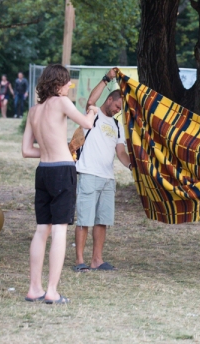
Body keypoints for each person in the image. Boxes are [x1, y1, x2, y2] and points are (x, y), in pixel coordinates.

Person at [22, 64, 98, 304]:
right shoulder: (61, 102)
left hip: (43, 171)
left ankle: (34, 288)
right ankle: (52, 291)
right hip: (62, 171)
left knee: (41, 229)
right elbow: (86, 124)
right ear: (58, 84)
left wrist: (50, 149)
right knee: (60, 230)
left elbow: (26, 150)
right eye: (67, 83)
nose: (69, 87)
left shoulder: (34, 111)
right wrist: (93, 113)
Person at [73, 69, 131, 272]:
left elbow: (121, 153)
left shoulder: (117, 125)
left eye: (120, 109)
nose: (117, 110)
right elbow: (90, 100)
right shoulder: (93, 115)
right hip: (89, 173)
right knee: (84, 220)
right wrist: (107, 78)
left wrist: (131, 165)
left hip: (108, 178)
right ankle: (80, 261)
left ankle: (97, 259)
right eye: (116, 106)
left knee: (102, 221)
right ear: (109, 100)